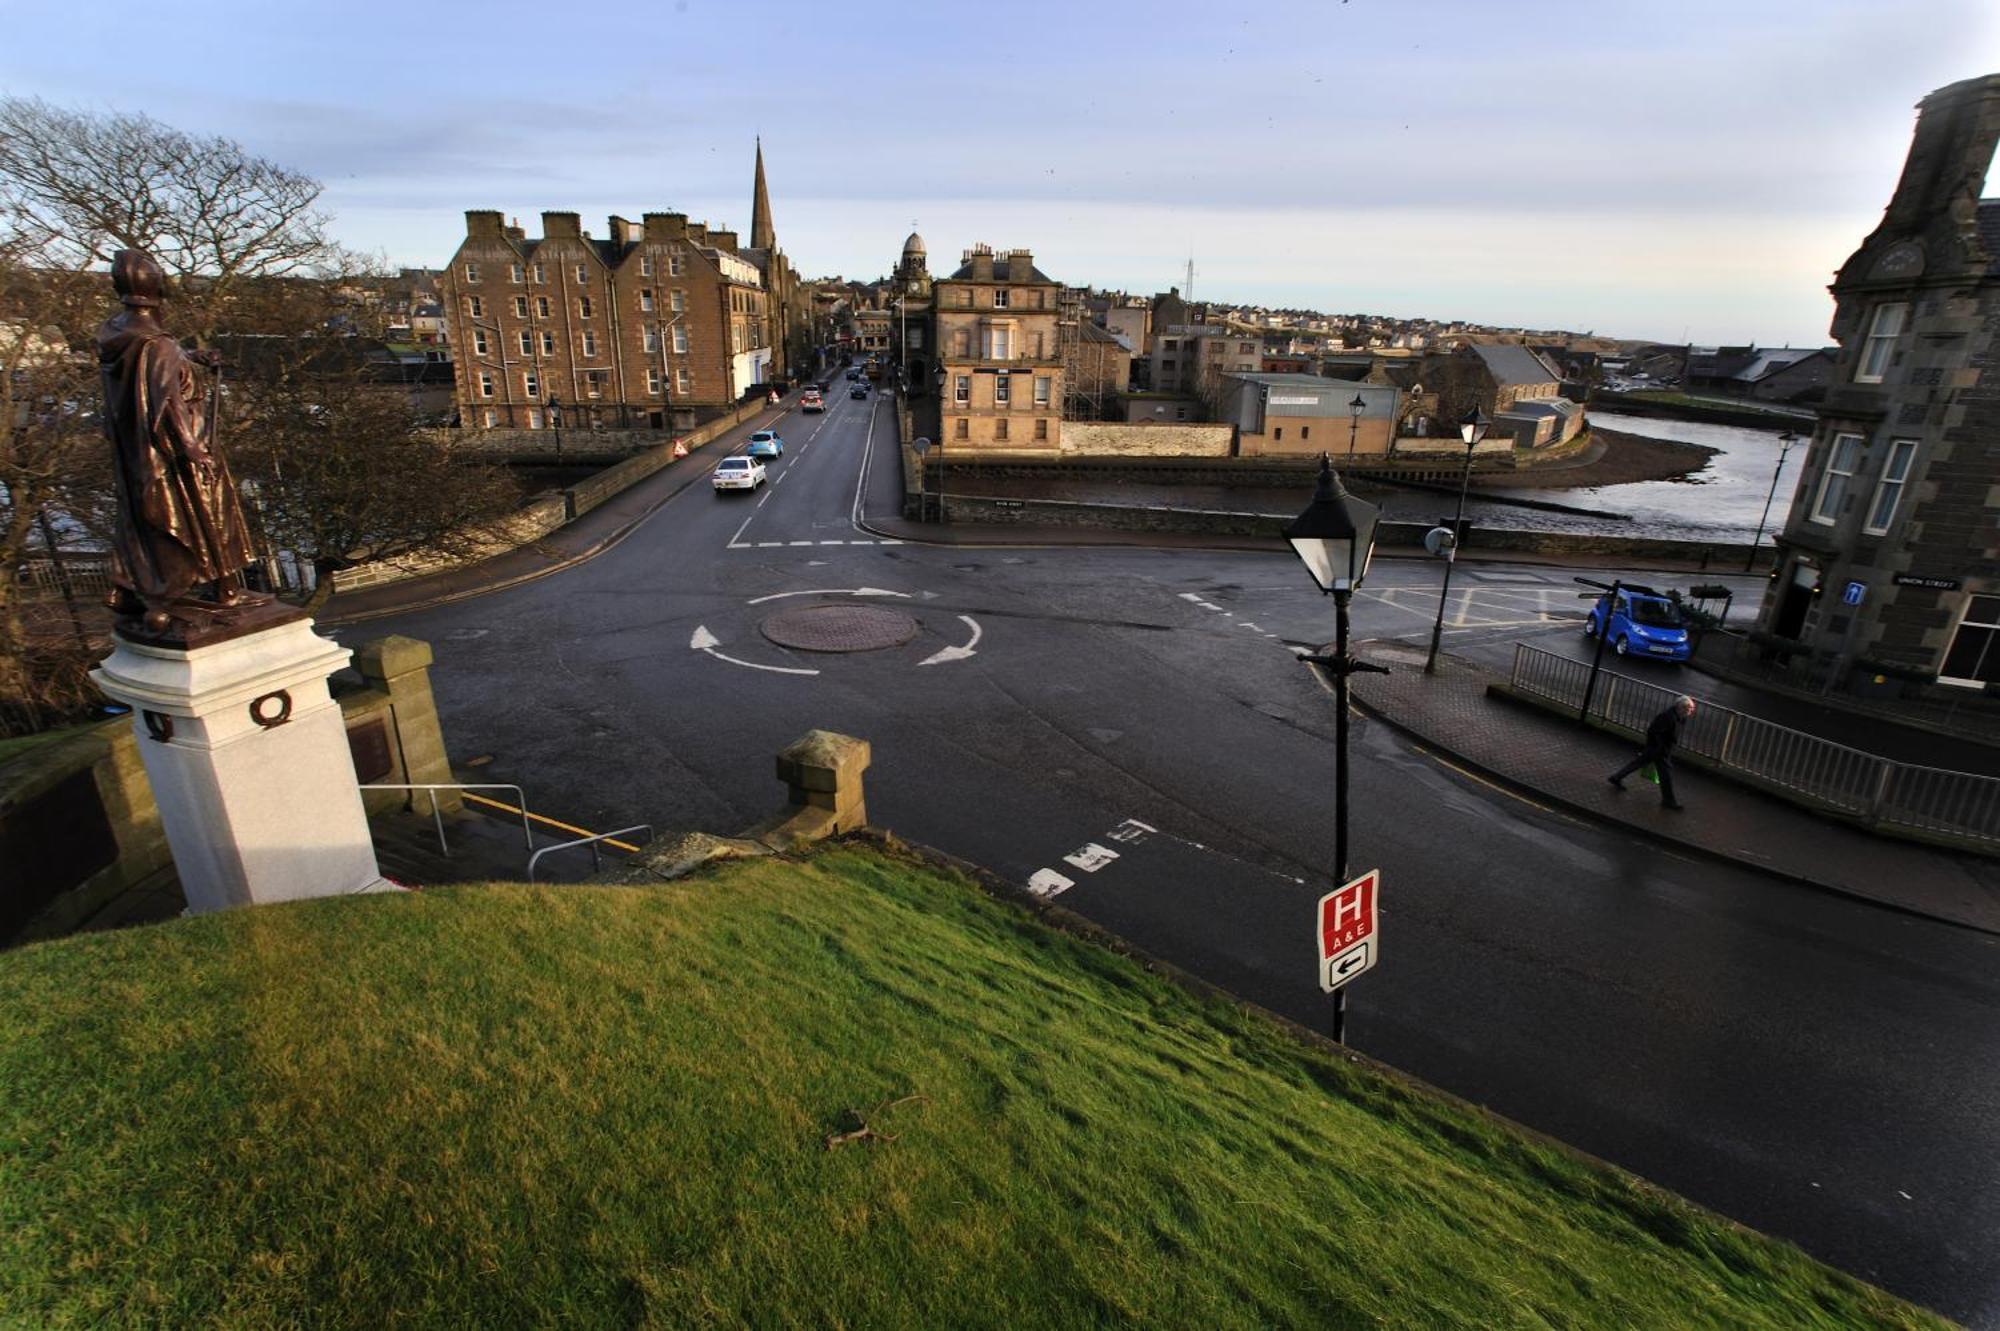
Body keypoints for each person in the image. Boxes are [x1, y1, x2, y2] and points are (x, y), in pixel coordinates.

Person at [97, 248, 256, 633]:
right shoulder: (159, 343)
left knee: (139, 517)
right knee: (208, 514)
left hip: (134, 451)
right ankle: (224, 587)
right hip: (174, 452)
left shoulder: (115, 332)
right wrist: (191, 447)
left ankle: (130, 586)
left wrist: (193, 356)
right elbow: (168, 401)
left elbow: (155, 361)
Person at [1609, 694, 1696, 810]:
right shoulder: (1667, 716)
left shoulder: (1679, 717)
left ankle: (1616, 777)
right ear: (1681, 707)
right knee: (1666, 776)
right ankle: (1669, 801)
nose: (1691, 712)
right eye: (1689, 709)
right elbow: (1653, 731)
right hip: (1659, 750)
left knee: (1638, 763)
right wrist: (1659, 748)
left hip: (1659, 749)